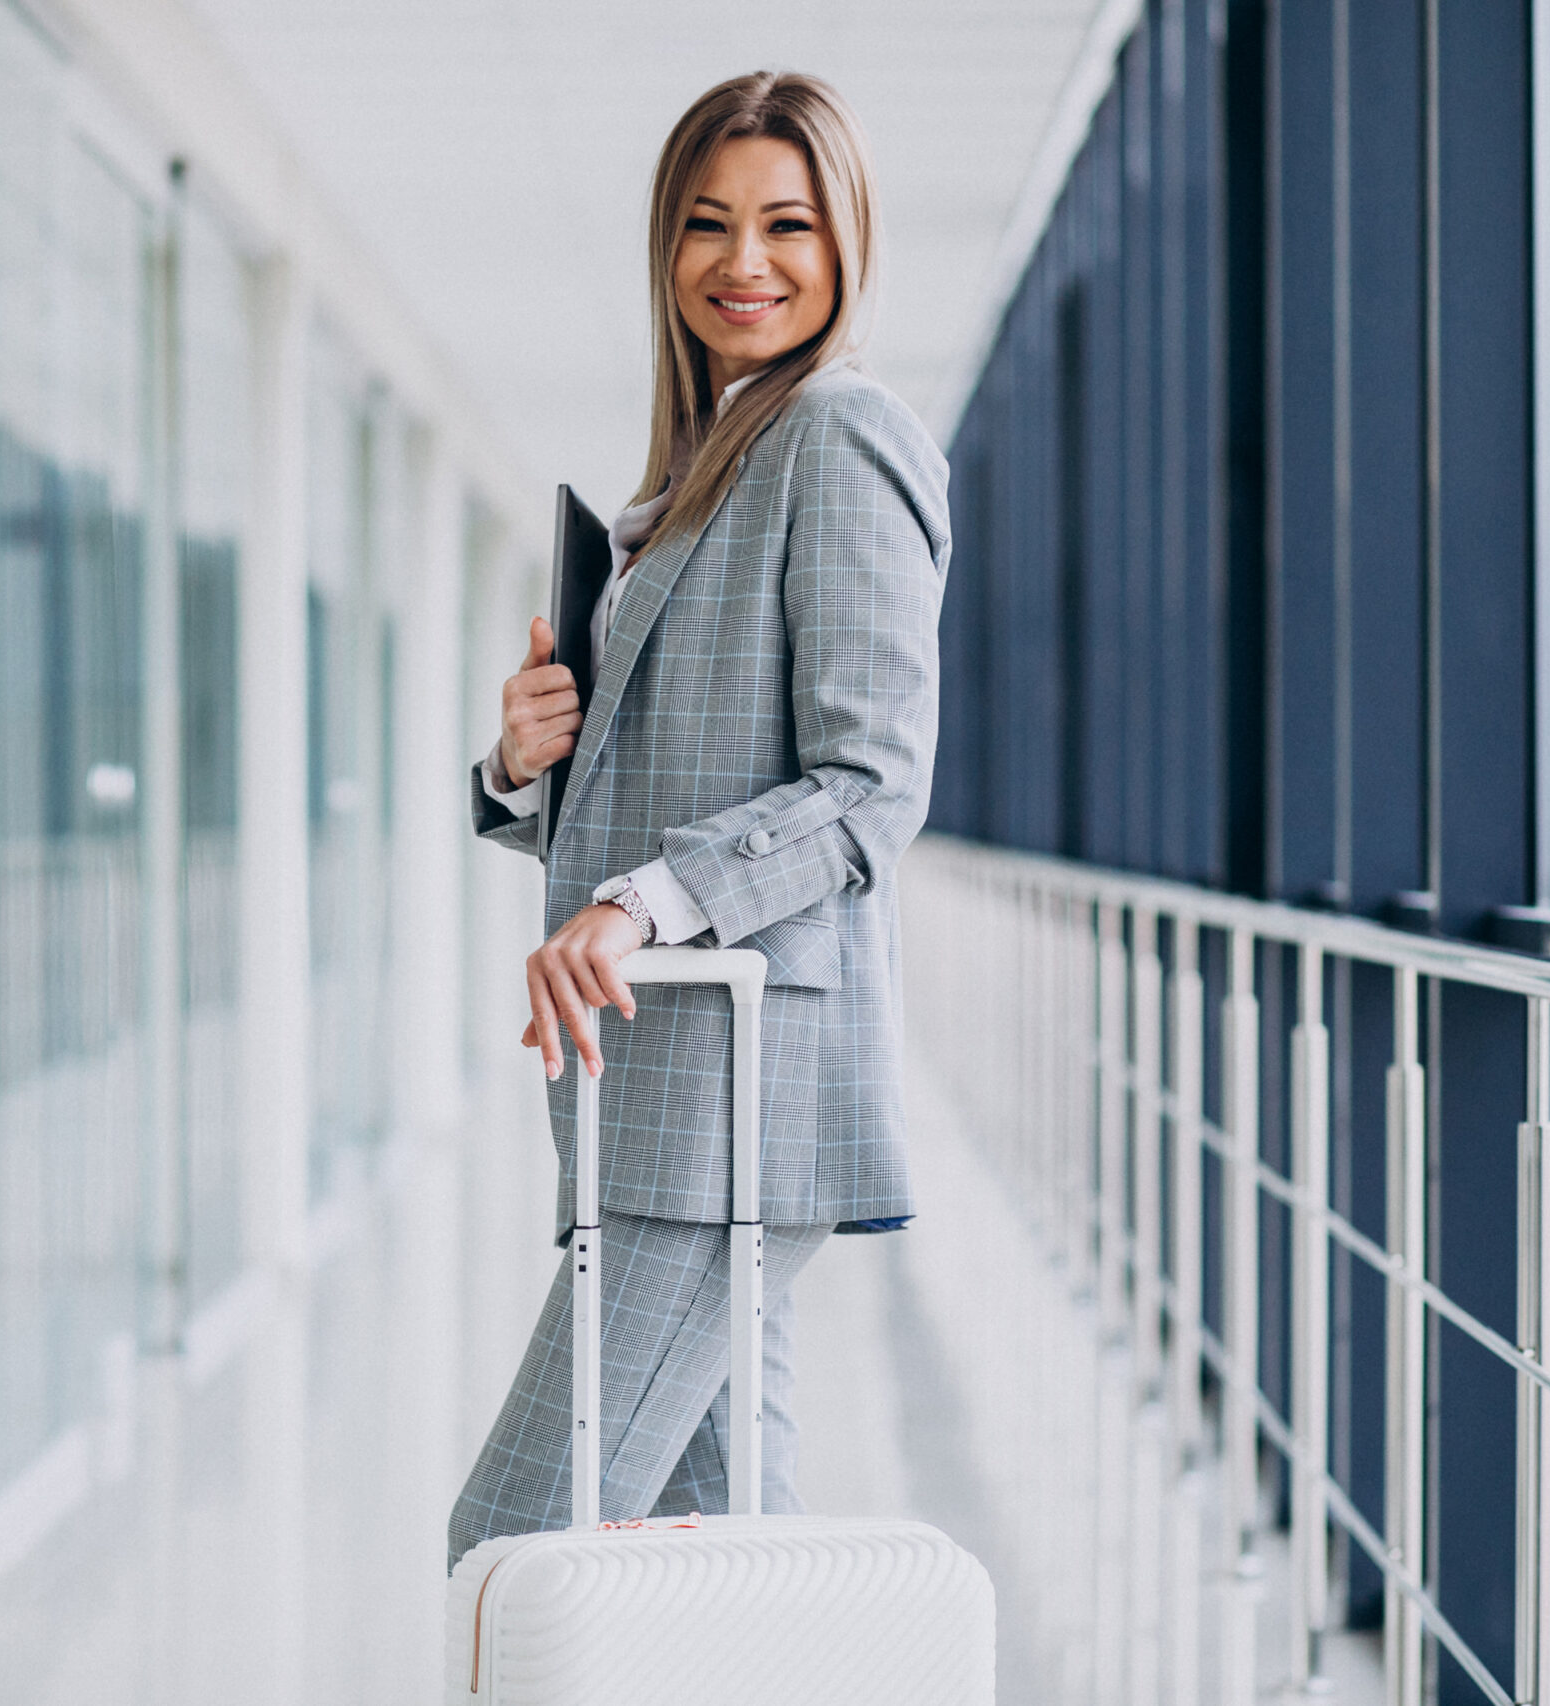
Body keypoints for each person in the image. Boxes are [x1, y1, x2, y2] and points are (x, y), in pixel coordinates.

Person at [447, 70, 950, 1571]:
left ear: (846, 238)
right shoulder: (706, 466)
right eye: (709, 224)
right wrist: (528, 766)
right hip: (673, 1095)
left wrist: (640, 902)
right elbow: (683, 781)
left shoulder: (841, 434)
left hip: (728, 1107)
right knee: (716, 1556)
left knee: (512, 1545)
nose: (747, 259)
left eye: (787, 223)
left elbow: (871, 788)